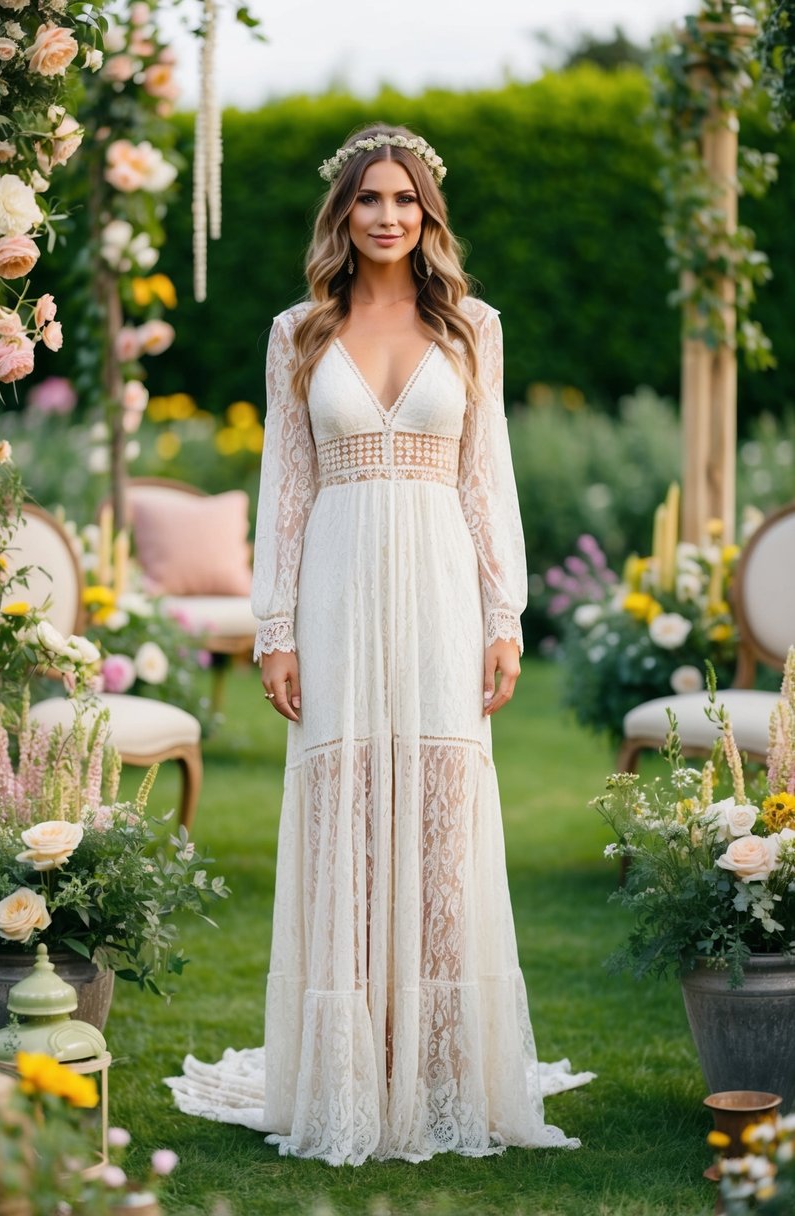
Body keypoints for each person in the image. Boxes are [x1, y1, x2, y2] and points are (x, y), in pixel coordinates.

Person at [165, 123, 593, 1165]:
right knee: (347, 812)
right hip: (338, 593)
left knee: (442, 815)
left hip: (443, 587)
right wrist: (274, 626)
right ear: (343, 215)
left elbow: (486, 480)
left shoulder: (471, 326)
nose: (388, 215)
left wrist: (505, 616)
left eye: (405, 199)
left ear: (428, 213)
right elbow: (288, 488)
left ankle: (441, 1067)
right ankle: (350, 1069)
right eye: (369, 199)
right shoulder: (297, 331)